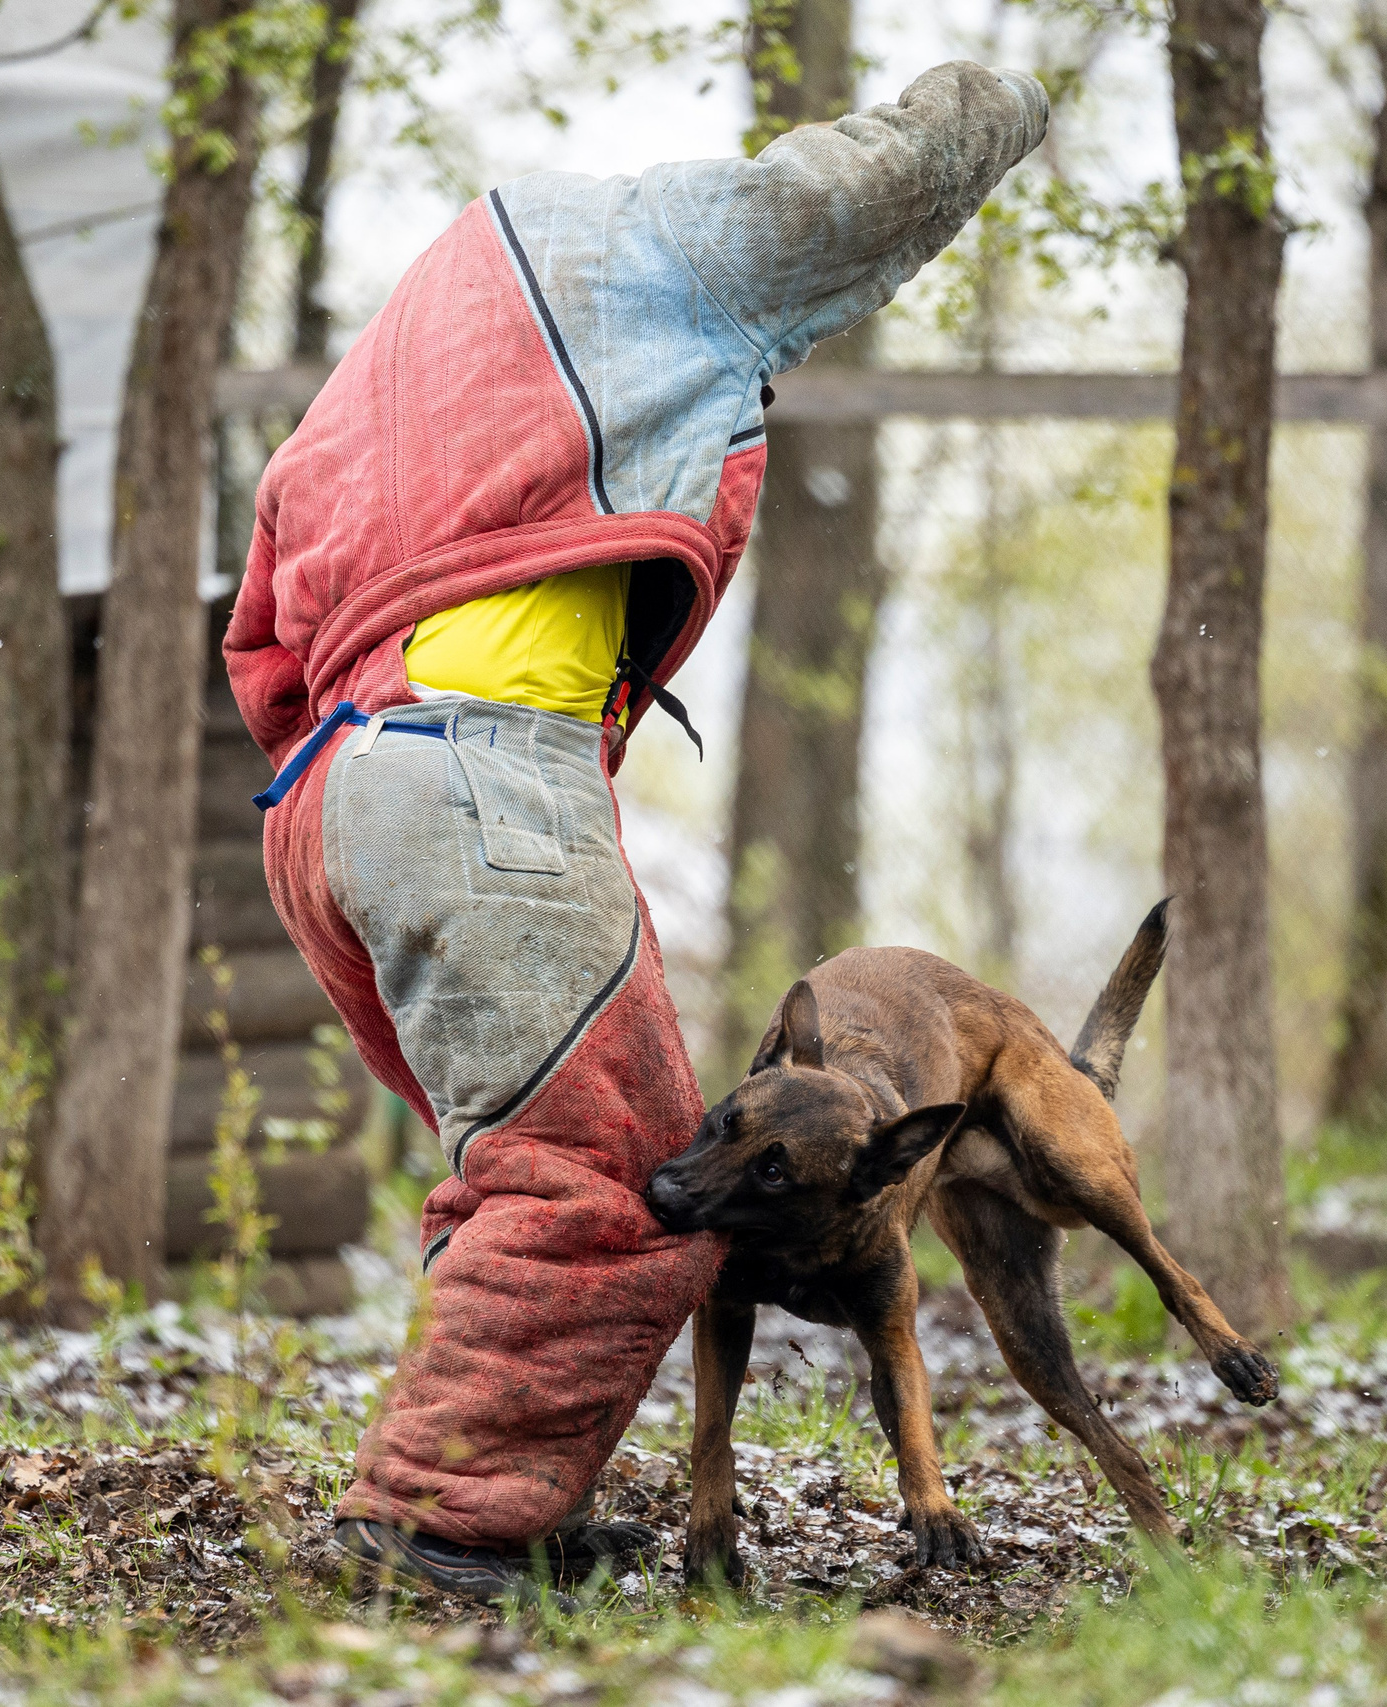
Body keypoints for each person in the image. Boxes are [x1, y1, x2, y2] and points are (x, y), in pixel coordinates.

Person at [223, 59, 1049, 1597]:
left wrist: (364, 798)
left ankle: (492, 1494)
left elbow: (258, 643)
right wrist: (1010, 99)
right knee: (629, 1180)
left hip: (334, 791)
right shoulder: (637, 253)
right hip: (483, 772)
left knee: (521, 1167)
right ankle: (437, 1524)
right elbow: (858, 190)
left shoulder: (392, 360)